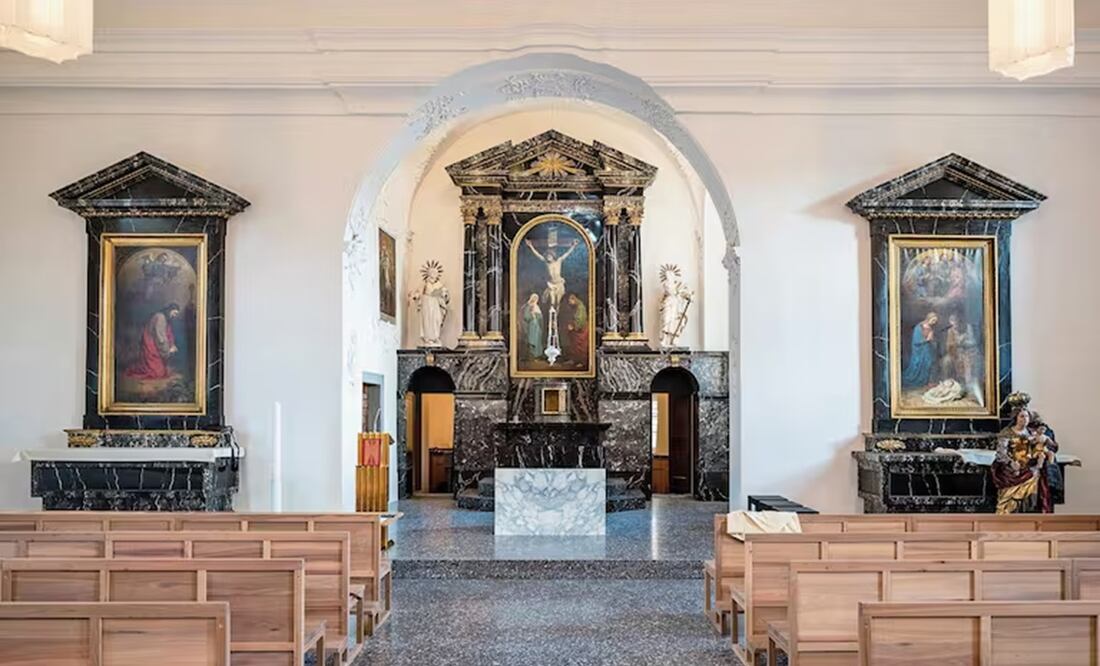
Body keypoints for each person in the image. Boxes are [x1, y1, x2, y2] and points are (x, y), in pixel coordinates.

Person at [991, 408, 1056, 514]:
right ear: (1015, 418)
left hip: (1030, 467)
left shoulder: (1032, 432)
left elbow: (1041, 445)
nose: (1025, 419)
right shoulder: (1007, 432)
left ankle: (1028, 515)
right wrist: (1011, 462)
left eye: (1027, 416)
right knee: (1009, 498)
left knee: (1032, 492)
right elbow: (1001, 453)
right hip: (1012, 468)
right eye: (1021, 416)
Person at [125, 303, 181, 380]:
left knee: (161, 372)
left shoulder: (166, 319)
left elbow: (168, 334)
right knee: (157, 373)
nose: (175, 316)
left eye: (176, 314)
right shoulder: (160, 318)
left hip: (156, 343)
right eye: (174, 313)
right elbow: (160, 338)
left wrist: (172, 345)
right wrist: (168, 350)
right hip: (151, 345)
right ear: (169, 310)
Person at [524, 238, 580, 308]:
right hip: (551, 284)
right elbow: (538, 255)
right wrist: (531, 246)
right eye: (547, 256)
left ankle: (556, 316)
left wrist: (573, 246)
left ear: (553, 256)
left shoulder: (558, 261)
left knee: (558, 302)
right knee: (552, 302)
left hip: (559, 284)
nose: (548, 257)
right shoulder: (546, 263)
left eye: (549, 256)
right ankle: (551, 314)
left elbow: (567, 254)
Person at [901, 312, 938, 388]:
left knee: (929, 362)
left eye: (935, 321)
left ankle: (926, 381)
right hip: (919, 351)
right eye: (933, 320)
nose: (934, 323)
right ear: (928, 319)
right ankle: (922, 381)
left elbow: (932, 341)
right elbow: (916, 341)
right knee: (925, 362)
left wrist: (932, 340)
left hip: (927, 349)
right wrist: (927, 339)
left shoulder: (930, 328)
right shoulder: (918, 327)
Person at [522, 293, 544, 361]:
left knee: (538, 341)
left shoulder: (537, 306)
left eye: (536, 299)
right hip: (531, 326)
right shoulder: (528, 307)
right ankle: (532, 356)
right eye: (534, 298)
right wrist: (532, 315)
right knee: (532, 340)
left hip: (537, 326)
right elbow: (526, 317)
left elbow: (540, 317)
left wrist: (537, 316)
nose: (535, 300)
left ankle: (537, 356)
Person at [565, 293, 588, 359]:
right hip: (576, 330)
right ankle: (575, 360)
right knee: (574, 345)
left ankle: (581, 361)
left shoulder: (580, 307)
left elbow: (580, 319)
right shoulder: (575, 306)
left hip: (581, 330)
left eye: (570, 300)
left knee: (580, 346)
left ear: (574, 299)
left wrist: (573, 326)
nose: (569, 302)